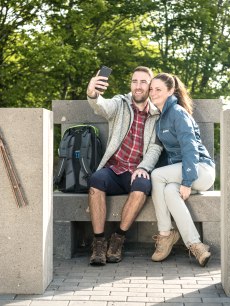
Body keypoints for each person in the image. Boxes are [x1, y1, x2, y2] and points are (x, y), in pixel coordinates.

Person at [86, 66, 162, 265]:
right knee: (96, 180)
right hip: (114, 169)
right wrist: (92, 93)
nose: (138, 86)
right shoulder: (120, 103)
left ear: (150, 86)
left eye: (143, 82)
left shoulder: (156, 114)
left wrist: (144, 168)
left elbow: (155, 147)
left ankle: (118, 239)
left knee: (142, 186)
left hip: (135, 171)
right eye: (134, 81)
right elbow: (101, 106)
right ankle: (99, 242)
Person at [149, 73, 215, 267]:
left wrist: (187, 181)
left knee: (157, 175)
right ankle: (196, 246)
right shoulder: (161, 118)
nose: (153, 92)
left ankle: (165, 234)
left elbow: (190, 148)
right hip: (184, 172)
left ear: (171, 91)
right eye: (151, 89)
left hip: (201, 170)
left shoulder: (177, 112)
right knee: (169, 191)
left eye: (158, 89)